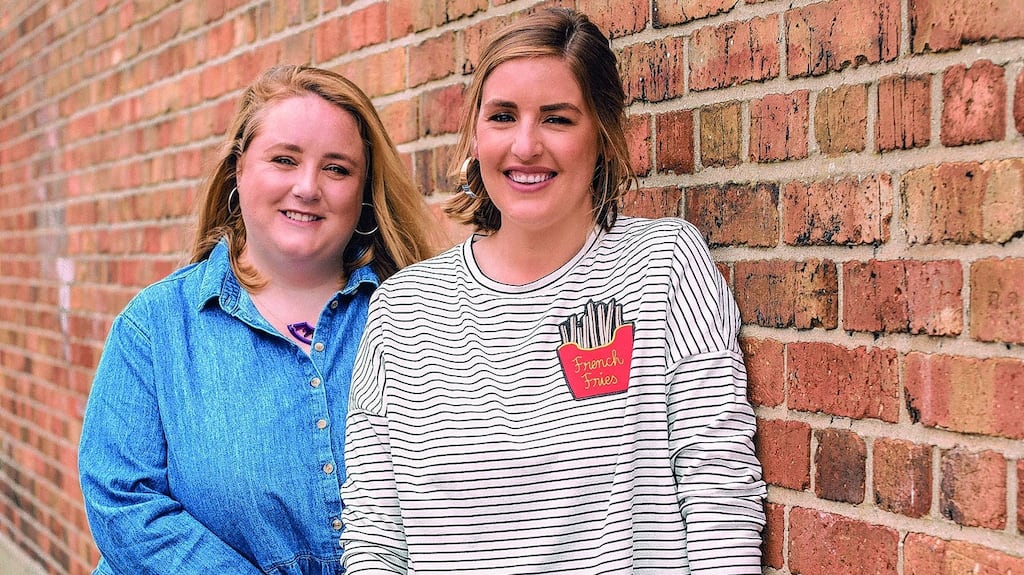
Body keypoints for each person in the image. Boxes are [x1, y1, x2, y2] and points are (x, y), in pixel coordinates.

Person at [340, 7, 766, 575]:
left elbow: (719, 492)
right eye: (502, 116)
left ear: (603, 135)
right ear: (474, 134)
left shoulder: (662, 268)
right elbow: (375, 541)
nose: (525, 145)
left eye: (557, 119)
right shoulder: (403, 310)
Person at [78, 64, 441, 575]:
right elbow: (123, 501)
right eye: (284, 160)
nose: (308, 187)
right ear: (239, 171)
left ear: (363, 192)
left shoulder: (413, 318)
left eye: (336, 168)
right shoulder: (156, 328)